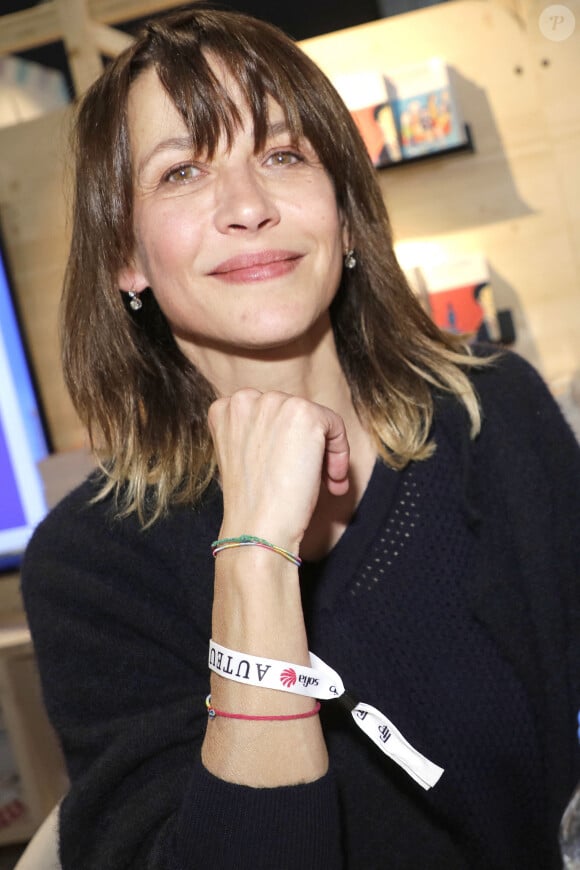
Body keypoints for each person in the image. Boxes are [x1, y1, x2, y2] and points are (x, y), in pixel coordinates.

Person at [20, 5, 580, 869]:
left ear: (346, 215)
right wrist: (254, 554)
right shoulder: (93, 567)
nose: (247, 206)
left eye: (283, 156)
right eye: (182, 173)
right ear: (126, 258)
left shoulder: (493, 412)